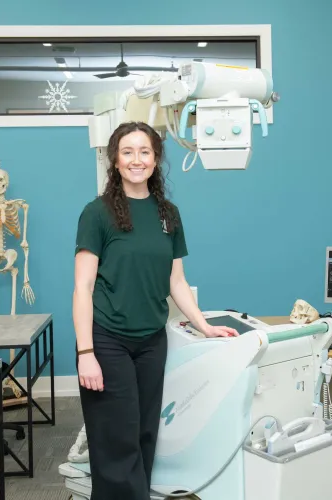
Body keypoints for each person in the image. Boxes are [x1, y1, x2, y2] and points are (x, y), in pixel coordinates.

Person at [72, 121, 239, 500]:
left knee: (145, 435)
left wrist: (204, 325)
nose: (136, 160)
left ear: (156, 158)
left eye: (144, 152)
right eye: (127, 152)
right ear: (115, 160)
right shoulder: (96, 214)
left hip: (151, 340)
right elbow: (82, 287)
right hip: (107, 339)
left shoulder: (168, 214)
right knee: (117, 440)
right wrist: (86, 353)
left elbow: (176, 281)